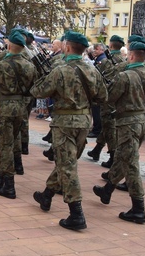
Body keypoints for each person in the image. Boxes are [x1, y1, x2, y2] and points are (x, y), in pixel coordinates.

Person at [31, 31, 108, 230]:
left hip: (65, 121)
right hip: (84, 121)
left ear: (67, 47)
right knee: (68, 161)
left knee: (67, 166)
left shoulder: (61, 70)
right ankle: (46, 195)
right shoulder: (93, 70)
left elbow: (38, 91)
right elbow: (103, 97)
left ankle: (76, 214)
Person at [92, 40, 145, 224]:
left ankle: (138, 208)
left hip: (128, 123)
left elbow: (108, 97)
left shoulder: (125, 76)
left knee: (131, 163)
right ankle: (108, 189)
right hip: (142, 122)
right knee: (123, 158)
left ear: (131, 55)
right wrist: (144, 107)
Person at [0, 31, 37, 198]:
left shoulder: (1, 65)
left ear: (9, 46)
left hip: (5, 108)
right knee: (11, 143)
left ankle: (9, 186)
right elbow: (35, 85)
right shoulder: (30, 66)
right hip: (21, 108)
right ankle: (1, 175)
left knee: (5, 145)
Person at [87, 35, 126, 165]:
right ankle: (97, 150)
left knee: (109, 127)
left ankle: (113, 157)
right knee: (108, 125)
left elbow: (97, 79)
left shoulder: (105, 61)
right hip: (119, 97)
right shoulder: (124, 60)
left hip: (107, 97)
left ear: (110, 45)